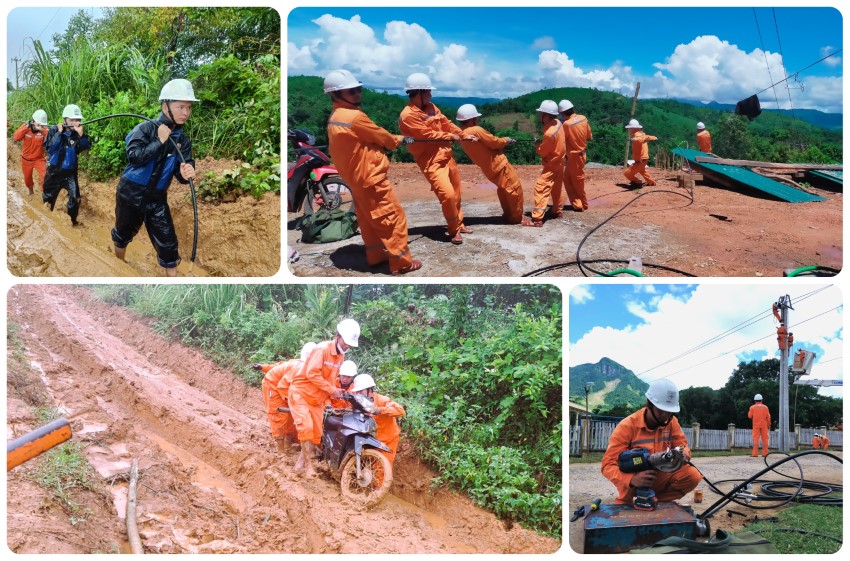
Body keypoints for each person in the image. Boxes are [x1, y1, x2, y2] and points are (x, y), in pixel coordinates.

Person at [324, 69, 421, 275]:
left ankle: (376, 256)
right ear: (336, 94)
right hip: (370, 178)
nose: (357, 94)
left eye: (358, 89)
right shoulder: (355, 117)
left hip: (356, 179)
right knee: (392, 218)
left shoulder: (335, 116)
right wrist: (400, 139)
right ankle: (402, 263)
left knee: (369, 220)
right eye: (351, 91)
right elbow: (382, 137)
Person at [111, 79, 198, 277]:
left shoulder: (182, 140)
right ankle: (117, 265)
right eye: (181, 107)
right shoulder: (144, 129)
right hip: (130, 193)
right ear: (165, 105)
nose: (186, 112)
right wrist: (160, 141)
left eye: (189, 107)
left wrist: (187, 173)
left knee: (168, 245)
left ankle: (172, 279)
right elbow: (134, 157)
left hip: (157, 199)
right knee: (123, 235)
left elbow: (182, 170)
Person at [399, 73, 477, 245]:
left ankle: (460, 223)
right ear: (418, 92)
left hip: (446, 155)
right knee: (447, 195)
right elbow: (428, 135)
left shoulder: (432, 107)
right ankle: (453, 230)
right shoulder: (408, 115)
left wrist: (463, 135)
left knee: (456, 193)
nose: (431, 95)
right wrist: (451, 136)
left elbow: (446, 122)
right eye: (428, 91)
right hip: (430, 161)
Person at [601, 379, 702, 504]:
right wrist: (631, 479)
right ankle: (630, 501)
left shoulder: (672, 422)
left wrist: (684, 453)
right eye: (661, 410)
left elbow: (682, 445)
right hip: (634, 481)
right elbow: (607, 465)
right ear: (649, 404)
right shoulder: (627, 426)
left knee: (692, 476)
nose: (665, 416)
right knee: (624, 513)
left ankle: (654, 501)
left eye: (669, 412)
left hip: (659, 475)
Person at [288, 319, 360, 476]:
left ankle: (299, 466)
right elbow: (311, 373)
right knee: (306, 428)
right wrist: (330, 389)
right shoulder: (322, 349)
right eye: (346, 342)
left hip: (317, 399)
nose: (347, 346)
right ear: (337, 336)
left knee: (315, 434)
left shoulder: (340, 357)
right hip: (301, 393)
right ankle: (308, 467)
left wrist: (337, 391)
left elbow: (330, 378)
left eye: (350, 344)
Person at [454, 104, 524, 224]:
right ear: (471, 119)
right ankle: (516, 218)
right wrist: (507, 140)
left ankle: (508, 215)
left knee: (503, 190)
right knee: (514, 189)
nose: (477, 120)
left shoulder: (461, 135)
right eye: (476, 118)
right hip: (499, 165)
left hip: (489, 169)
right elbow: (494, 142)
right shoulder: (476, 130)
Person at [256, 342, 317, 454]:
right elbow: (282, 386)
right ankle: (280, 450)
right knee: (279, 415)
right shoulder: (298, 368)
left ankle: (288, 442)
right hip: (273, 385)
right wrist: (292, 401)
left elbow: (278, 366)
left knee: (293, 416)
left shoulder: (309, 368)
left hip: (288, 389)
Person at [42, 104, 91, 225]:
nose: (75, 122)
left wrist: (81, 135)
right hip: (54, 172)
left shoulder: (78, 133)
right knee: (48, 199)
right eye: (72, 119)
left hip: (70, 173)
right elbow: (50, 148)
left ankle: (72, 221)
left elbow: (85, 147)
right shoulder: (54, 129)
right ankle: (46, 220)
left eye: (78, 119)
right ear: (65, 119)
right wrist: (59, 133)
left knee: (75, 199)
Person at [522, 100, 565, 227]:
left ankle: (537, 219)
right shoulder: (558, 123)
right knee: (556, 188)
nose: (539, 115)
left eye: (541, 113)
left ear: (545, 115)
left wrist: (537, 145)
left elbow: (543, 152)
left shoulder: (549, 133)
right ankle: (557, 211)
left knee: (541, 187)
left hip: (552, 164)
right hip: (560, 162)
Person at [349, 373, 406, 465]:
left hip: (388, 441)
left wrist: (379, 410)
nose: (358, 394)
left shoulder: (382, 400)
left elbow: (400, 411)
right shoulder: (359, 403)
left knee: (381, 469)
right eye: (357, 392)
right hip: (370, 441)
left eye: (361, 391)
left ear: (369, 390)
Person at [558, 100, 593, 212]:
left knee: (577, 181)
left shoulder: (566, 125)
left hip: (574, 157)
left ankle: (583, 204)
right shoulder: (583, 118)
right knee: (567, 178)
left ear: (562, 113)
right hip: (580, 155)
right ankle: (577, 203)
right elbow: (589, 136)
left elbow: (562, 141)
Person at [13, 110, 49, 195]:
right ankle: (30, 190)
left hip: (39, 159)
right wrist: (25, 127)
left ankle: (44, 194)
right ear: (33, 121)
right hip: (26, 159)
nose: (41, 125)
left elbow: (51, 141)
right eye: (39, 123)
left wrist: (42, 131)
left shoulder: (44, 131)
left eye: (43, 124)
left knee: (45, 176)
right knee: (27, 179)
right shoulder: (25, 127)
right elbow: (15, 137)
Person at [624, 119, 657, 187]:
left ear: (633, 128)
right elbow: (646, 137)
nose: (629, 130)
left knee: (627, 173)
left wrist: (634, 139)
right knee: (643, 172)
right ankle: (651, 183)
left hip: (640, 160)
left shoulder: (637, 135)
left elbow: (640, 140)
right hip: (642, 159)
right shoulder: (641, 134)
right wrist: (654, 137)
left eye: (629, 128)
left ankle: (637, 182)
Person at [748, 393, 771, 457]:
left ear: (755, 400)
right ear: (761, 400)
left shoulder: (752, 407)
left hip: (756, 425)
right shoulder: (765, 407)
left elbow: (749, 416)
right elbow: (768, 417)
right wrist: (768, 425)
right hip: (764, 425)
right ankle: (765, 453)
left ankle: (755, 454)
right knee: (765, 439)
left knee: (756, 439)